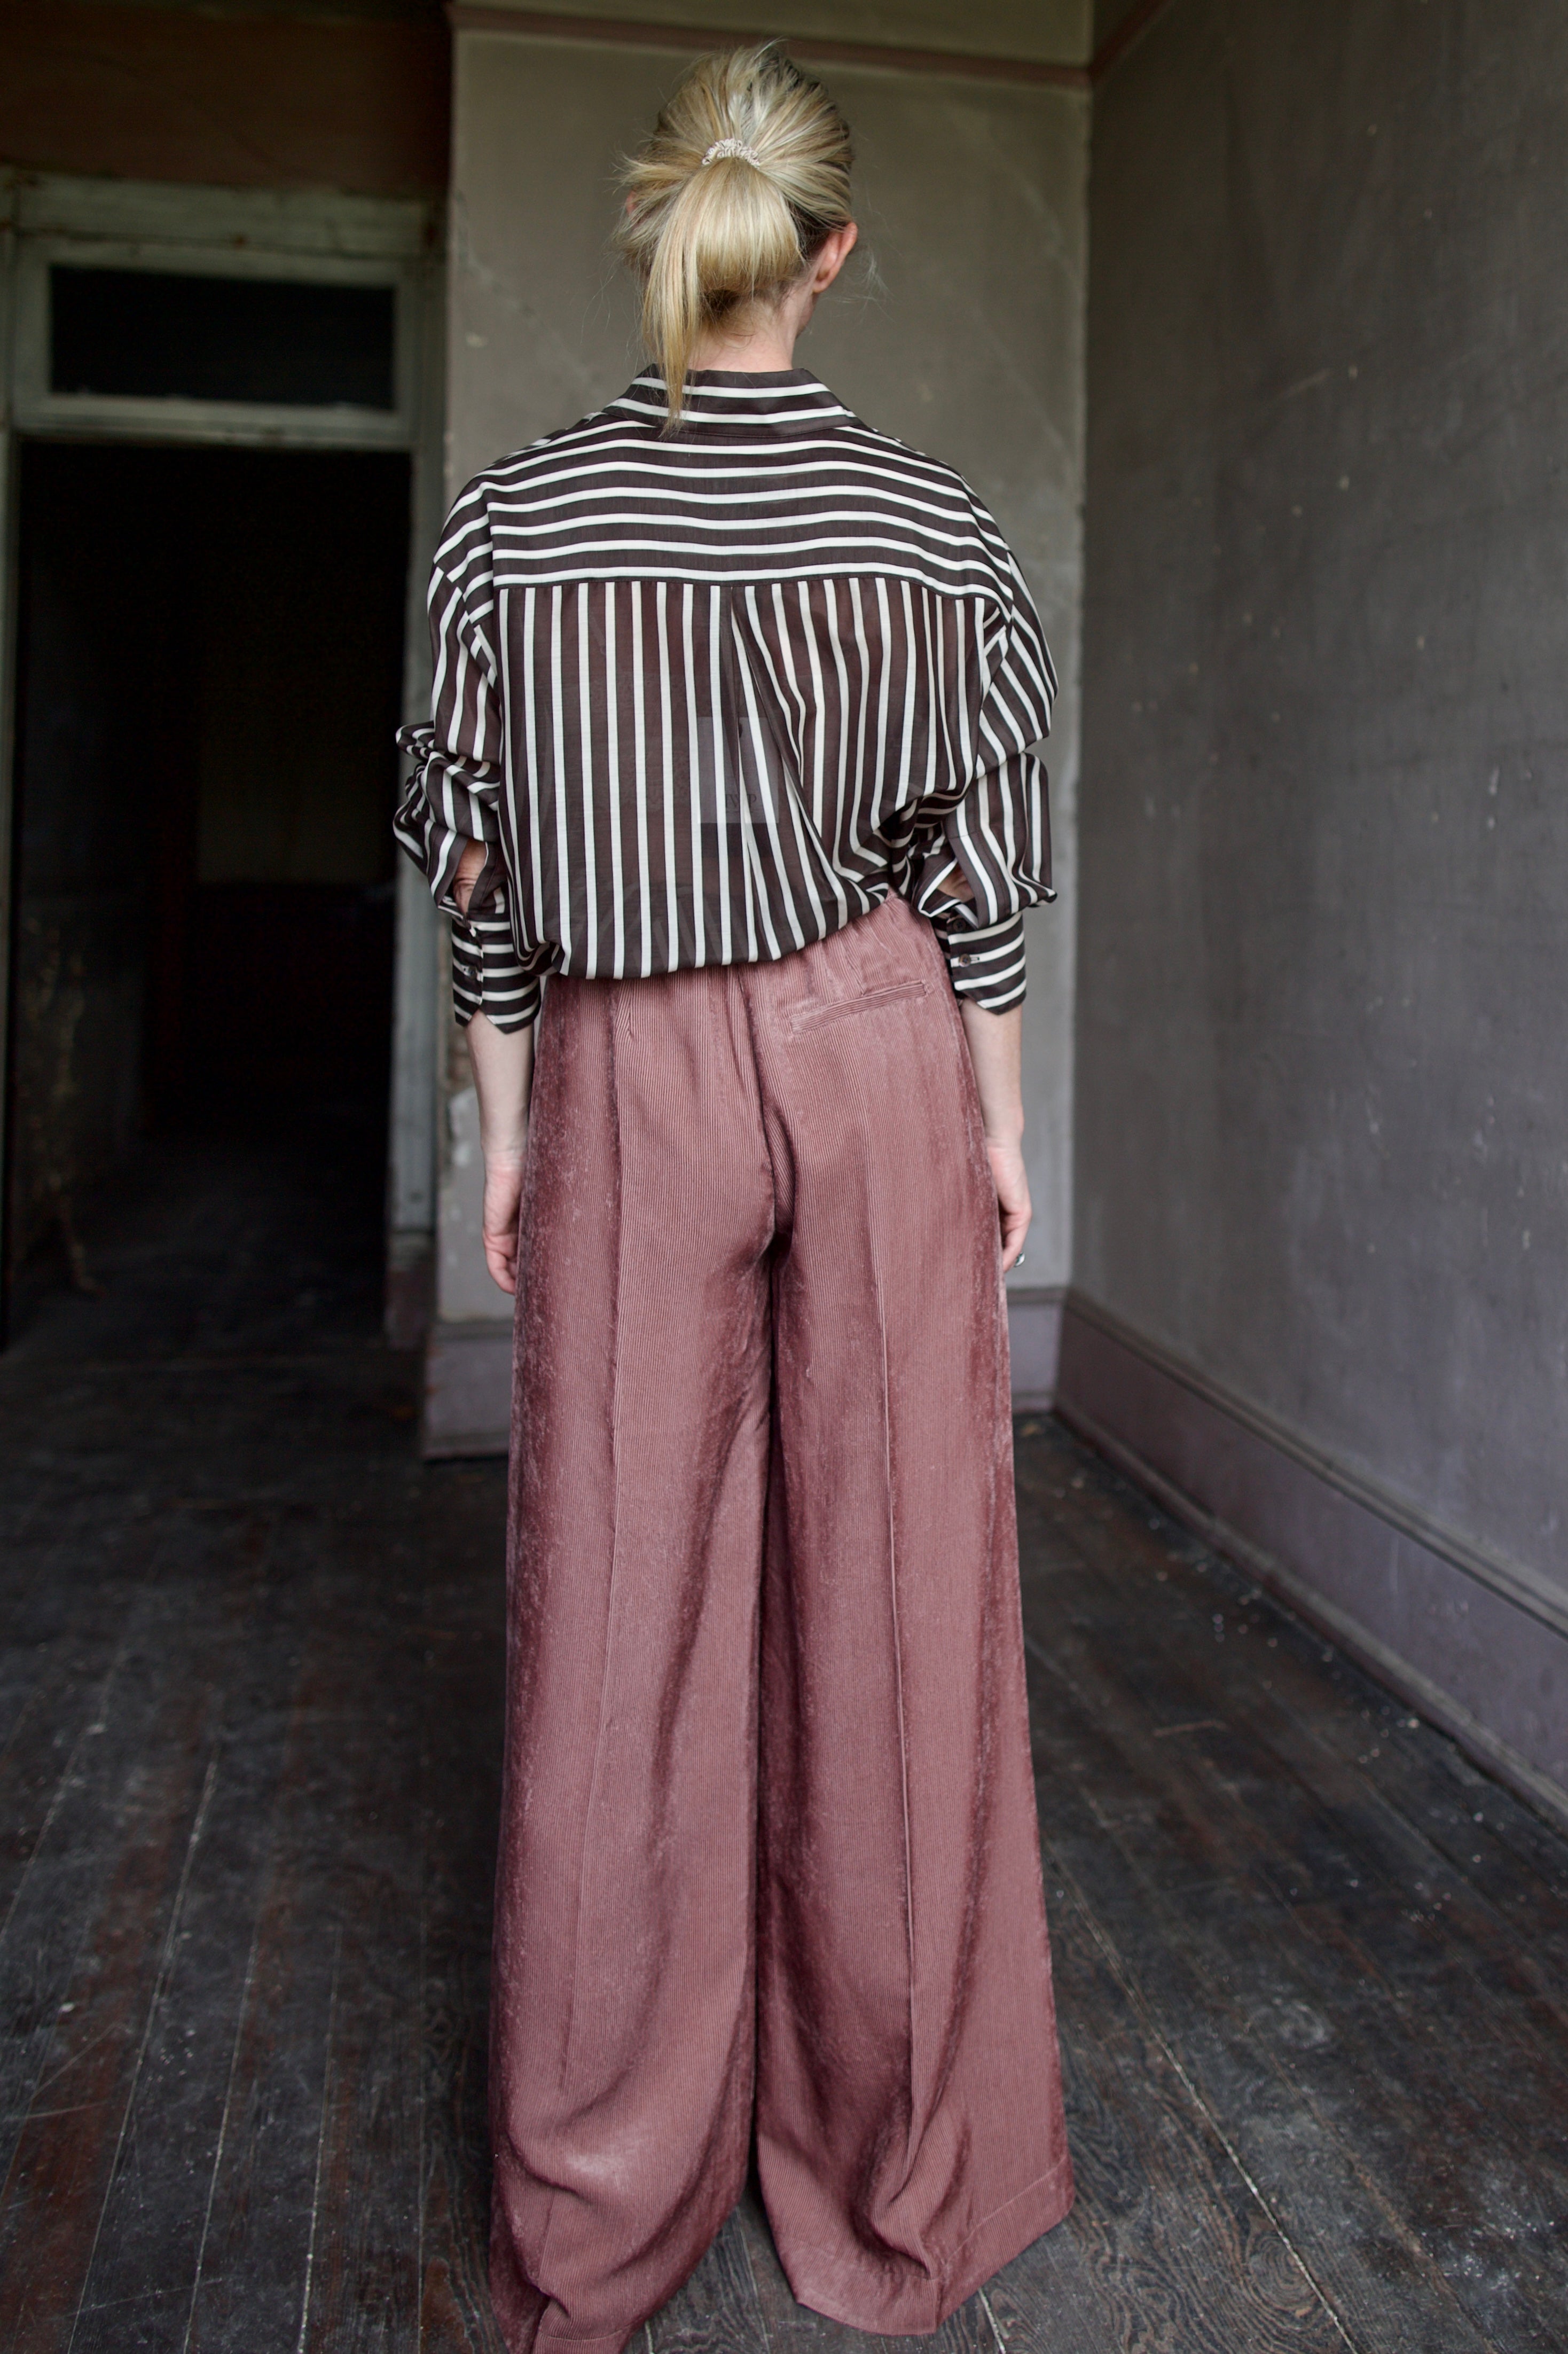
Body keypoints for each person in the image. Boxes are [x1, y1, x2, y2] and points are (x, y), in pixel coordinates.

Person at [395, 42, 1072, 2352]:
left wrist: (512, 1131)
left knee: (609, 1628)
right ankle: (897, 2195)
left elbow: (476, 884)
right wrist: (998, 1122)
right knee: (897, 1614)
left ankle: (589, 2227)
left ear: (658, 245)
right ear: (831, 254)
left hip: (627, 1062)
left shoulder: (510, 524)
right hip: (879, 1041)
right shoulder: (934, 528)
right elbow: (979, 879)